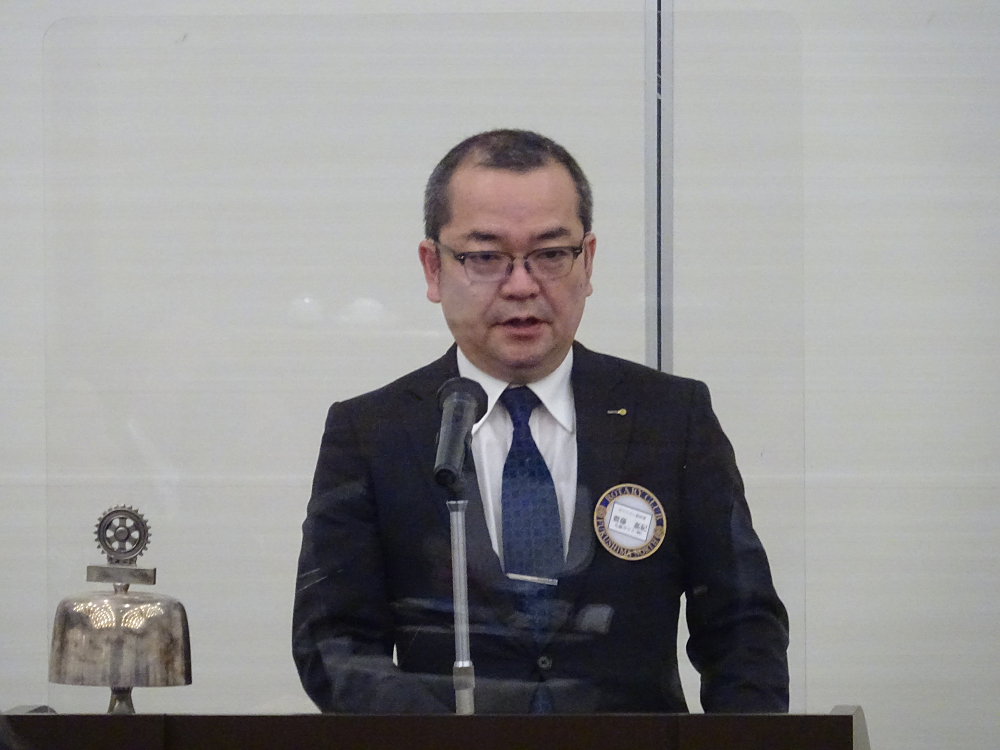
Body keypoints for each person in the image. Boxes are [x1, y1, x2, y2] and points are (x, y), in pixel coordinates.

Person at [293, 129, 789, 714]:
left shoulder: (671, 418)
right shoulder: (370, 433)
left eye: (551, 254)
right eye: (485, 257)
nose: (522, 285)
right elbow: (335, 642)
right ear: (433, 268)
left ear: (588, 261)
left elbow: (742, 627)